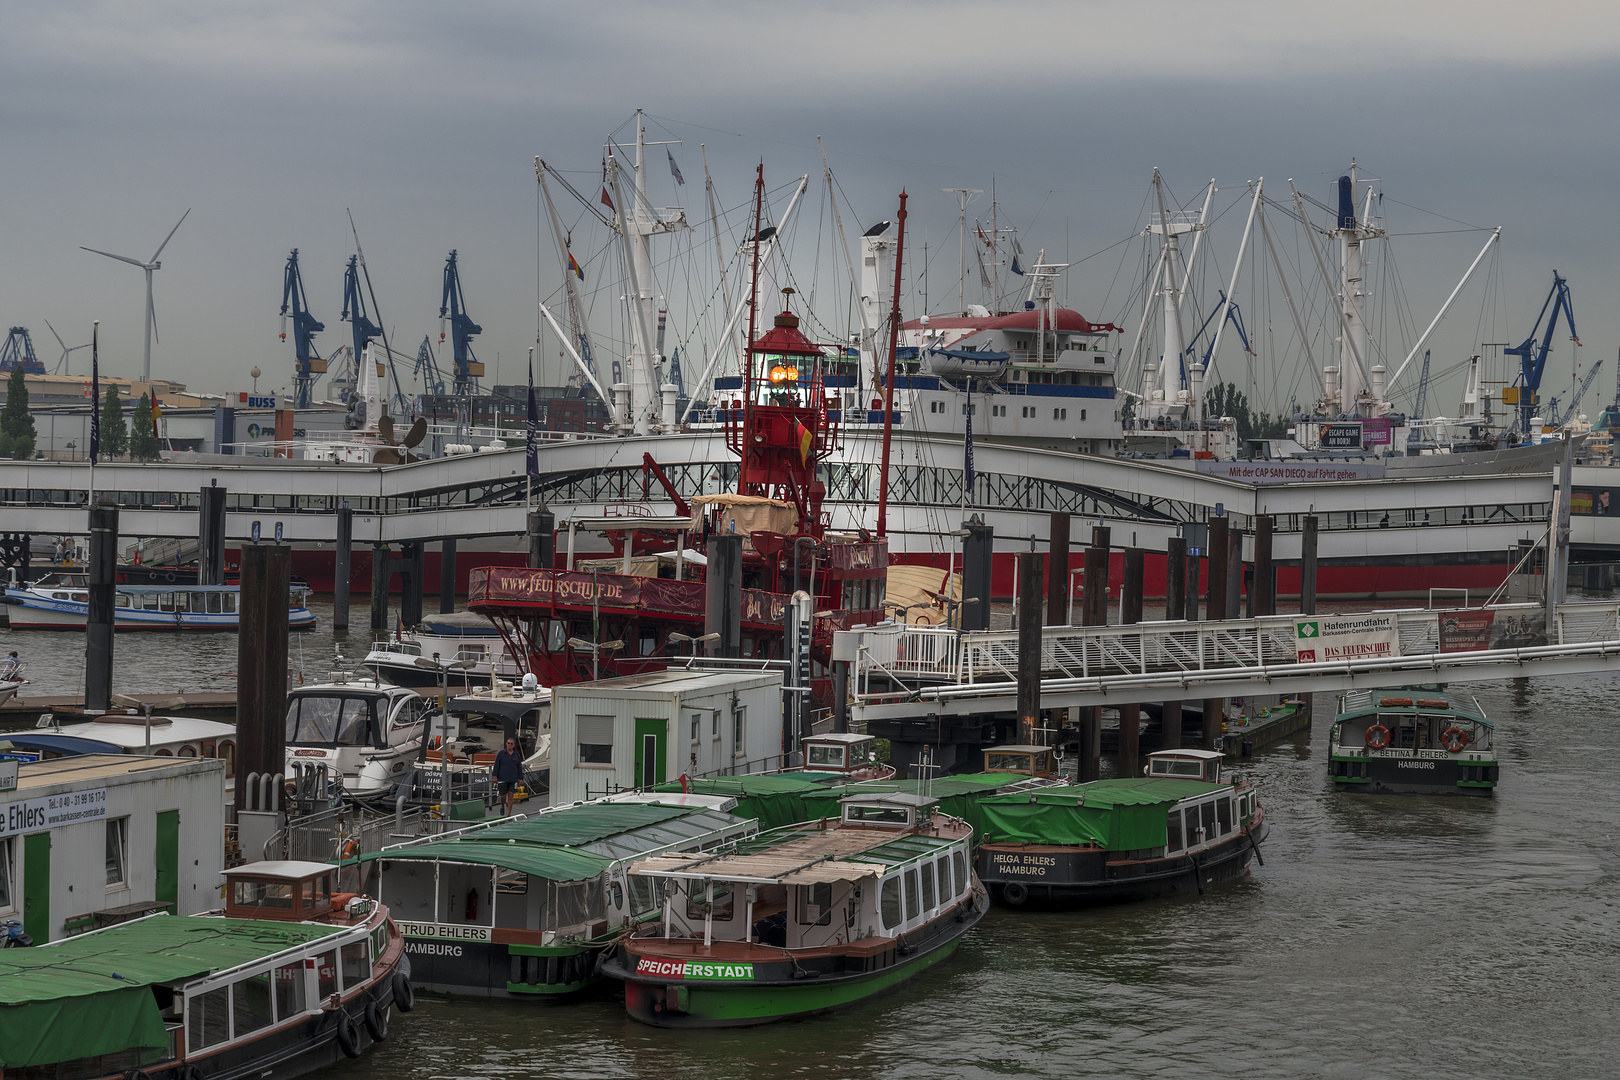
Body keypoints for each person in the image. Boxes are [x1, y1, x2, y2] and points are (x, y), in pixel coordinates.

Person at [492, 736, 524, 816]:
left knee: (510, 795)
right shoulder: (501, 754)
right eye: (508, 743)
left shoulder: (517, 755)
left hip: (513, 778)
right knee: (502, 796)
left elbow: (519, 767)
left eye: (511, 743)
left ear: (513, 745)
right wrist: (495, 776)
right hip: (502, 778)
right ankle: (502, 806)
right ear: (506, 744)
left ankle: (509, 813)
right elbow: (496, 765)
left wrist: (520, 778)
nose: (509, 745)